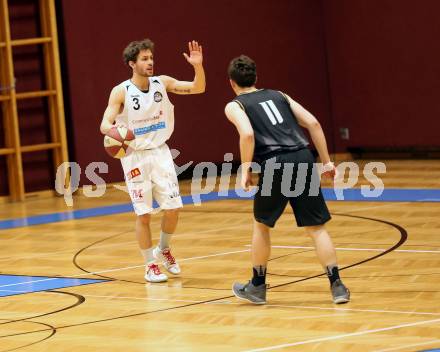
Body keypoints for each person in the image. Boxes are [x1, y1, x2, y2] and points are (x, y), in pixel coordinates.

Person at [224, 55, 349, 304]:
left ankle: (257, 287)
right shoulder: (279, 95)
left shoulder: (235, 105)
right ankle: (338, 286)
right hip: (302, 157)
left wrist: (245, 169)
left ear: (231, 83)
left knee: (262, 225)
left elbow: (247, 134)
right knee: (316, 228)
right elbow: (313, 122)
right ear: (256, 78)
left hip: (274, 163)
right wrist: (326, 162)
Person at [100, 39, 205, 282]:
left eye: (151, 58)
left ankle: (163, 249)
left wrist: (197, 67)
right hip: (134, 156)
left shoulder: (162, 83)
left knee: (173, 208)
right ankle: (150, 265)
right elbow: (105, 122)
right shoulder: (121, 91)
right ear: (132, 64)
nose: (150, 62)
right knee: (144, 214)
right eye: (144, 59)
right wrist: (115, 131)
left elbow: (197, 88)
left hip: (160, 152)